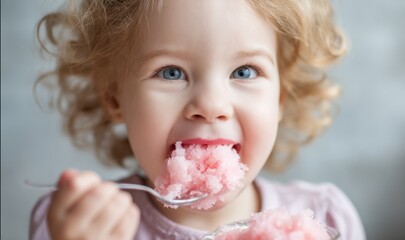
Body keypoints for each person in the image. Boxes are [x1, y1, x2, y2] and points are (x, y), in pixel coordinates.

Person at [30, 0, 366, 239]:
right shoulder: (79, 224)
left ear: (279, 98)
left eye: (244, 71)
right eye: (171, 72)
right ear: (115, 98)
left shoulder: (326, 217)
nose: (210, 104)